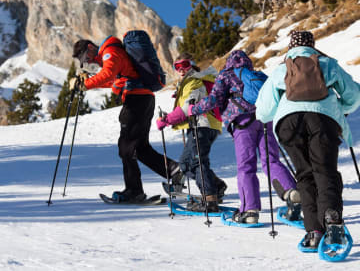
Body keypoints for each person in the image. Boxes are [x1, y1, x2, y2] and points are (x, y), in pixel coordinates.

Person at [255, 30, 360, 249]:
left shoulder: (281, 69)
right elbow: (355, 94)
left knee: (305, 174)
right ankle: (332, 221)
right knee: (325, 171)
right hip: (323, 121)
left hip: (288, 124)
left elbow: (264, 111)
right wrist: (339, 109)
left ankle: (314, 231)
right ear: (312, 45)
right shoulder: (326, 63)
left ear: (290, 46)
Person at [188, 50, 299, 224]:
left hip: (242, 122)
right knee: (271, 160)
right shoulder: (258, 74)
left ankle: (250, 211)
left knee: (246, 166)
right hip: (265, 119)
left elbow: (214, 99)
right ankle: (291, 191)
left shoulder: (226, 74)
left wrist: (193, 109)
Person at [70, 35, 184, 202]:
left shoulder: (110, 52)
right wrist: (87, 83)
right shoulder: (114, 54)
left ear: (91, 48)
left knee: (126, 147)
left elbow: (108, 74)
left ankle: (134, 191)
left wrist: (84, 85)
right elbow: (113, 81)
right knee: (139, 147)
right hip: (143, 100)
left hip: (136, 101)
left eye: (85, 57)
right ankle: (172, 170)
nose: (88, 62)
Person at [156, 53, 227, 212]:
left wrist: (166, 120)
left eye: (185, 64)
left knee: (196, 162)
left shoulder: (194, 81)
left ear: (192, 64)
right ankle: (216, 186)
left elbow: (186, 109)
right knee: (186, 164)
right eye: (177, 66)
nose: (181, 69)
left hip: (202, 125)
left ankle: (209, 200)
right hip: (203, 125)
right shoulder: (189, 81)